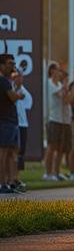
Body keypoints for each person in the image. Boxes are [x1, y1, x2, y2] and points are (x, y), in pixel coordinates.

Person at [0, 56, 24, 194]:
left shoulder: (7, 81)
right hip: (5, 122)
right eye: (10, 63)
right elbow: (13, 97)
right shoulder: (3, 80)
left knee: (11, 154)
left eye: (14, 63)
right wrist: (19, 95)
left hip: (11, 121)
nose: (13, 66)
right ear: (1, 66)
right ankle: (2, 184)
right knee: (3, 154)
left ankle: (10, 182)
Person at [44, 62, 71, 181]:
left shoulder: (60, 84)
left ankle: (56, 172)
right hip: (53, 118)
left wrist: (65, 85)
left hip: (63, 119)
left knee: (60, 147)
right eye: (58, 70)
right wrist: (65, 85)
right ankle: (48, 173)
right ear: (52, 71)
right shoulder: (49, 83)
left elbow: (66, 98)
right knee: (52, 147)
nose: (60, 72)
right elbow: (61, 94)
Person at [13, 70, 32, 183]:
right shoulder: (9, 88)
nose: (19, 78)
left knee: (20, 152)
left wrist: (19, 88)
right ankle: (8, 178)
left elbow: (28, 104)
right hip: (13, 123)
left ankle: (17, 178)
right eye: (16, 76)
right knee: (11, 152)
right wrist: (16, 89)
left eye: (21, 76)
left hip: (23, 124)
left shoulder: (24, 91)